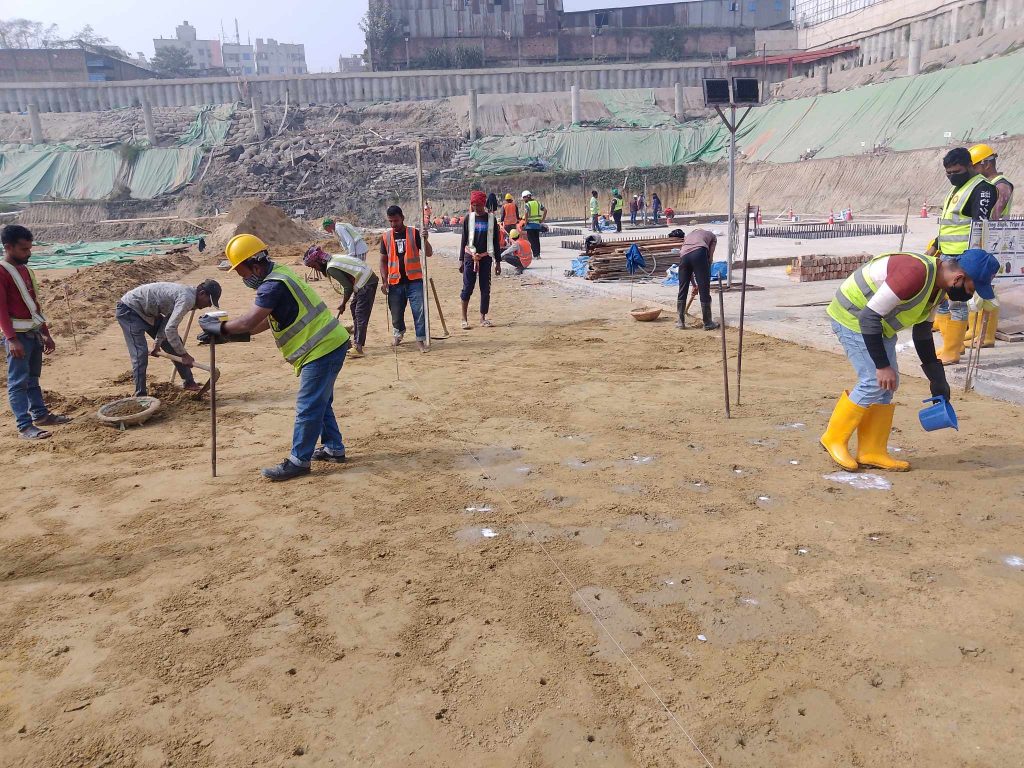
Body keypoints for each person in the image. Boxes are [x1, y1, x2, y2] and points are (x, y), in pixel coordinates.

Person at [821, 247, 998, 472]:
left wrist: (937, 379)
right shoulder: (915, 273)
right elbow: (868, 317)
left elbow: (922, 334)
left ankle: (871, 451)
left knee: (888, 384)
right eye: (972, 289)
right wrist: (882, 365)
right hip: (852, 316)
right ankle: (833, 438)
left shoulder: (939, 288)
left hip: (877, 325)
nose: (970, 295)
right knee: (874, 380)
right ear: (959, 278)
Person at [202, 234, 350, 481]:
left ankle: (299, 461)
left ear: (255, 265)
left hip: (322, 347)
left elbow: (250, 320)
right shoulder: (278, 273)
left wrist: (221, 328)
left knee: (308, 405)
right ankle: (334, 447)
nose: (243, 278)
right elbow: (264, 323)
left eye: (242, 272)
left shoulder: (272, 285)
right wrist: (225, 335)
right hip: (328, 344)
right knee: (319, 402)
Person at [1, 224, 71, 440]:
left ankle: (40, 415)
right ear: (8, 247)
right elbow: (1, 309)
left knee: (32, 379)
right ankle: (24, 426)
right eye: (24, 249)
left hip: (32, 334)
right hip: (18, 338)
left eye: (30, 249)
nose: (29, 253)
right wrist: (12, 339)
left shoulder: (26, 270)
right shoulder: (2, 272)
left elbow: (34, 307)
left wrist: (46, 333)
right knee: (18, 382)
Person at [930, 147, 997, 364]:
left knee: (957, 304)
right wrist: (935, 246)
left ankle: (952, 350)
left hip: (964, 258)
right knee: (943, 302)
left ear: (970, 166)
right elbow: (950, 224)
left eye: (956, 171)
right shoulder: (957, 189)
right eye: (948, 173)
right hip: (948, 254)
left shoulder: (982, 189)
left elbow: (980, 226)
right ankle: (953, 345)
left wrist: (970, 262)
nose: (951, 177)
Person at [116, 279, 221, 397]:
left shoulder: (188, 296)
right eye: (209, 301)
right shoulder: (187, 298)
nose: (208, 305)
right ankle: (140, 395)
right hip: (130, 309)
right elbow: (170, 329)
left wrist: (157, 343)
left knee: (173, 344)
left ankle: (189, 382)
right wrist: (184, 355)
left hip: (149, 311)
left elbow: (167, 322)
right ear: (202, 294)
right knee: (140, 353)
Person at [964, 143, 1014, 349]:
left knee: (988, 289)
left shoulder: (1000, 185)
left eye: (974, 166)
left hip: (994, 241)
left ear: (985, 164)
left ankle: (986, 335)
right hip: (984, 240)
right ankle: (975, 330)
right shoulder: (985, 183)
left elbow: (995, 213)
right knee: (976, 287)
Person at [320, 218, 378, 358]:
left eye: (326, 229)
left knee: (359, 311)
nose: (327, 232)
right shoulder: (338, 230)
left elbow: (348, 286)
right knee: (355, 308)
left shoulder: (339, 228)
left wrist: (343, 303)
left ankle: (358, 346)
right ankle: (356, 333)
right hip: (361, 274)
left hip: (363, 274)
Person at [379, 205, 432, 353]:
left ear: (402, 218)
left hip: (414, 280)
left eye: (396, 220)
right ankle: (399, 332)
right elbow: (383, 260)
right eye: (390, 221)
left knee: (419, 310)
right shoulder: (386, 237)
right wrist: (384, 280)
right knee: (396, 312)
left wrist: (425, 239)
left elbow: (428, 253)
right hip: (395, 282)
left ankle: (420, 339)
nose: (393, 224)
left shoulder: (414, 233)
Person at [460, 191, 502, 329]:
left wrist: (498, 262)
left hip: (485, 258)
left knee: (485, 288)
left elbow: (496, 241)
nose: (476, 208)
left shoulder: (491, 219)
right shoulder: (468, 218)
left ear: (483, 204)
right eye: (473, 205)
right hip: (469, 257)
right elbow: (464, 239)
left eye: (478, 205)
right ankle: (464, 318)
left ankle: (483, 317)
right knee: (467, 288)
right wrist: (461, 259)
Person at [674, 229, 721, 332]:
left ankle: (680, 322)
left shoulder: (688, 236)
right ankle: (708, 323)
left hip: (684, 256)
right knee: (704, 289)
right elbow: (710, 257)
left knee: (682, 288)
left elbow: (688, 270)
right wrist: (702, 280)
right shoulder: (712, 237)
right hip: (699, 253)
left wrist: (694, 284)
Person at [521, 190, 547, 260]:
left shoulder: (527, 205)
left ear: (526, 197)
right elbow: (545, 210)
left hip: (530, 226)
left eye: (524, 198)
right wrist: (542, 219)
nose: (523, 200)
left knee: (531, 241)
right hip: (537, 225)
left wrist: (525, 224)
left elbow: (526, 214)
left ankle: (535, 255)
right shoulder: (538, 203)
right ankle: (538, 255)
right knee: (536, 240)